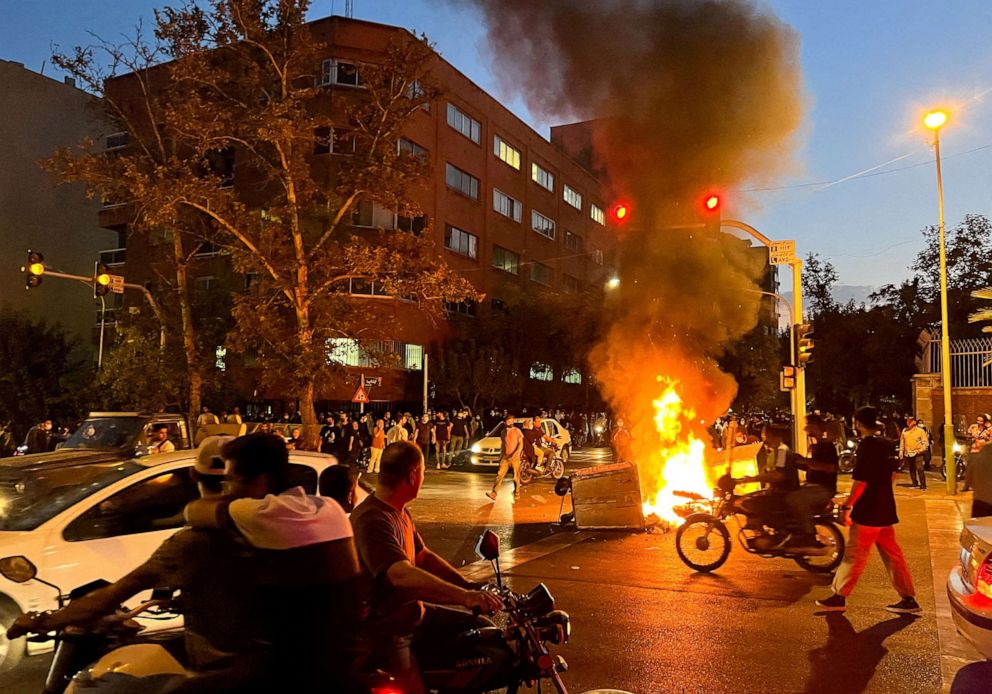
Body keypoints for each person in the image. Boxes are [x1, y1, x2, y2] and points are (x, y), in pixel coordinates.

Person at [6, 437, 276, 691]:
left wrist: (44, 621)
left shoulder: (193, 542)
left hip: (223, 675)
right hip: (270, 665)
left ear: (194, 476)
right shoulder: (275, 531)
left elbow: (109, 597)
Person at [185, 434, 367, 692]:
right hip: (345, 664)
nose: (227, 490)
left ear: (260, 482)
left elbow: (194, 511)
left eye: (231, 481)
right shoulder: (330, 508)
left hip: (294, 675)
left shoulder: (261, 513)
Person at [350, 441, 502, 694]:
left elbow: (422, 556)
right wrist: (463, 597)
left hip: (415, 615)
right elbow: (401, 574)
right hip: (390, 628)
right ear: (412, 475)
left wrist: (468, 585)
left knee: (485, 637)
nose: (423, 477)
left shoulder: (398, 511)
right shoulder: (372, 519)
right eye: (422, 471)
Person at [816, 407, 920, 614]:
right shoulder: (887, 444)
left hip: (868, 511)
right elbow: (892, 475)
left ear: (858, 423)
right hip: (885, 508)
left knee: (855, 554)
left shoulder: (867, 446)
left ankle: (839, 596)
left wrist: (847, 505)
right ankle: (908, 597)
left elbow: (861, 481)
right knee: (893, 555)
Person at [788, 414, 838, 552]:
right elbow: (811, 466)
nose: (805, 429)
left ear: (817, 427)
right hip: (812, 486)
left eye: (809, 425)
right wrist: (795, 462)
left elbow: (829, 468)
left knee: (795, 499)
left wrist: (805, 461)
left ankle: (809, 536)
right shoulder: (814, 446)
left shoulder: (827, 446)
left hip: (823, 489)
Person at [487, 415, 523, 500]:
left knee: (516, 476)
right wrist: (501, 456)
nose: (509, 422)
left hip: (515, 458)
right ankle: (494, 493)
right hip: (505, 457)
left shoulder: (517, 431)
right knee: (499, 475)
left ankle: (517, 492)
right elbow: (503, 445)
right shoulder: (503, 432)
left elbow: (521, 444)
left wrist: (516, 454)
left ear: (513, 421)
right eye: (507, 421)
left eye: (511, 420)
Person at [899, 415, 929, 491]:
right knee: (912, 469)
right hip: (908, 452)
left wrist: (921, 450)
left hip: (917, 452)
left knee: (920, 468)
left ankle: (923, 484)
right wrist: (901, 451)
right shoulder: (905, 431)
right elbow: (902, 441)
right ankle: (914, 482)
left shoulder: (920, 431)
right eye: (908, 421)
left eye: (910, 421)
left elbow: (925, 442)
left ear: (914, 422)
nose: (908, 423)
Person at [966, 443, 992, 518]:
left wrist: (967, 486)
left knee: (978, 525)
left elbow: (969, 476)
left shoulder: (976, 460)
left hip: (980, 500)